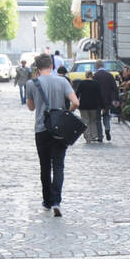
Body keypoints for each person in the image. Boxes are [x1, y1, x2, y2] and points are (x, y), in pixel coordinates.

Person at [26, 52, 79, 216]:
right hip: (59, 130)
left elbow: (31, 107)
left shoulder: (31, 83)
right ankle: (57, 201)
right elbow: (76, 102)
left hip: (41, 129)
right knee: (58, 165)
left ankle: (47, 200)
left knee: (44, 166)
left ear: (37, 68)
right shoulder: (62, 81)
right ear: (52, 66)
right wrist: (66, 114)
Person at [76, 71, 104, 143]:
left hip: (83, 105)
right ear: (92, 76)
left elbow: (77, 93)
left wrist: (76, 102)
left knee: (85, 121)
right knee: (93, 121)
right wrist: (102, 106)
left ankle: (87, 137)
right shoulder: (96, 83)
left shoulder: (82, 83)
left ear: (86, 76)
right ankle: (94, 136)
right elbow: (99, 96)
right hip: (93, 105)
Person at [93, 61, 118, 136]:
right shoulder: (109, 75)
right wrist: (115, 99)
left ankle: (100, 136)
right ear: (103, 65)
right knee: (106, 115)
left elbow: (93, 89)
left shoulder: (95, 76)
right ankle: (107, 128)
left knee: (97, 119)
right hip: (107, 99)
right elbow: (114, 88)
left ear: (97, 66)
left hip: (97, 100)